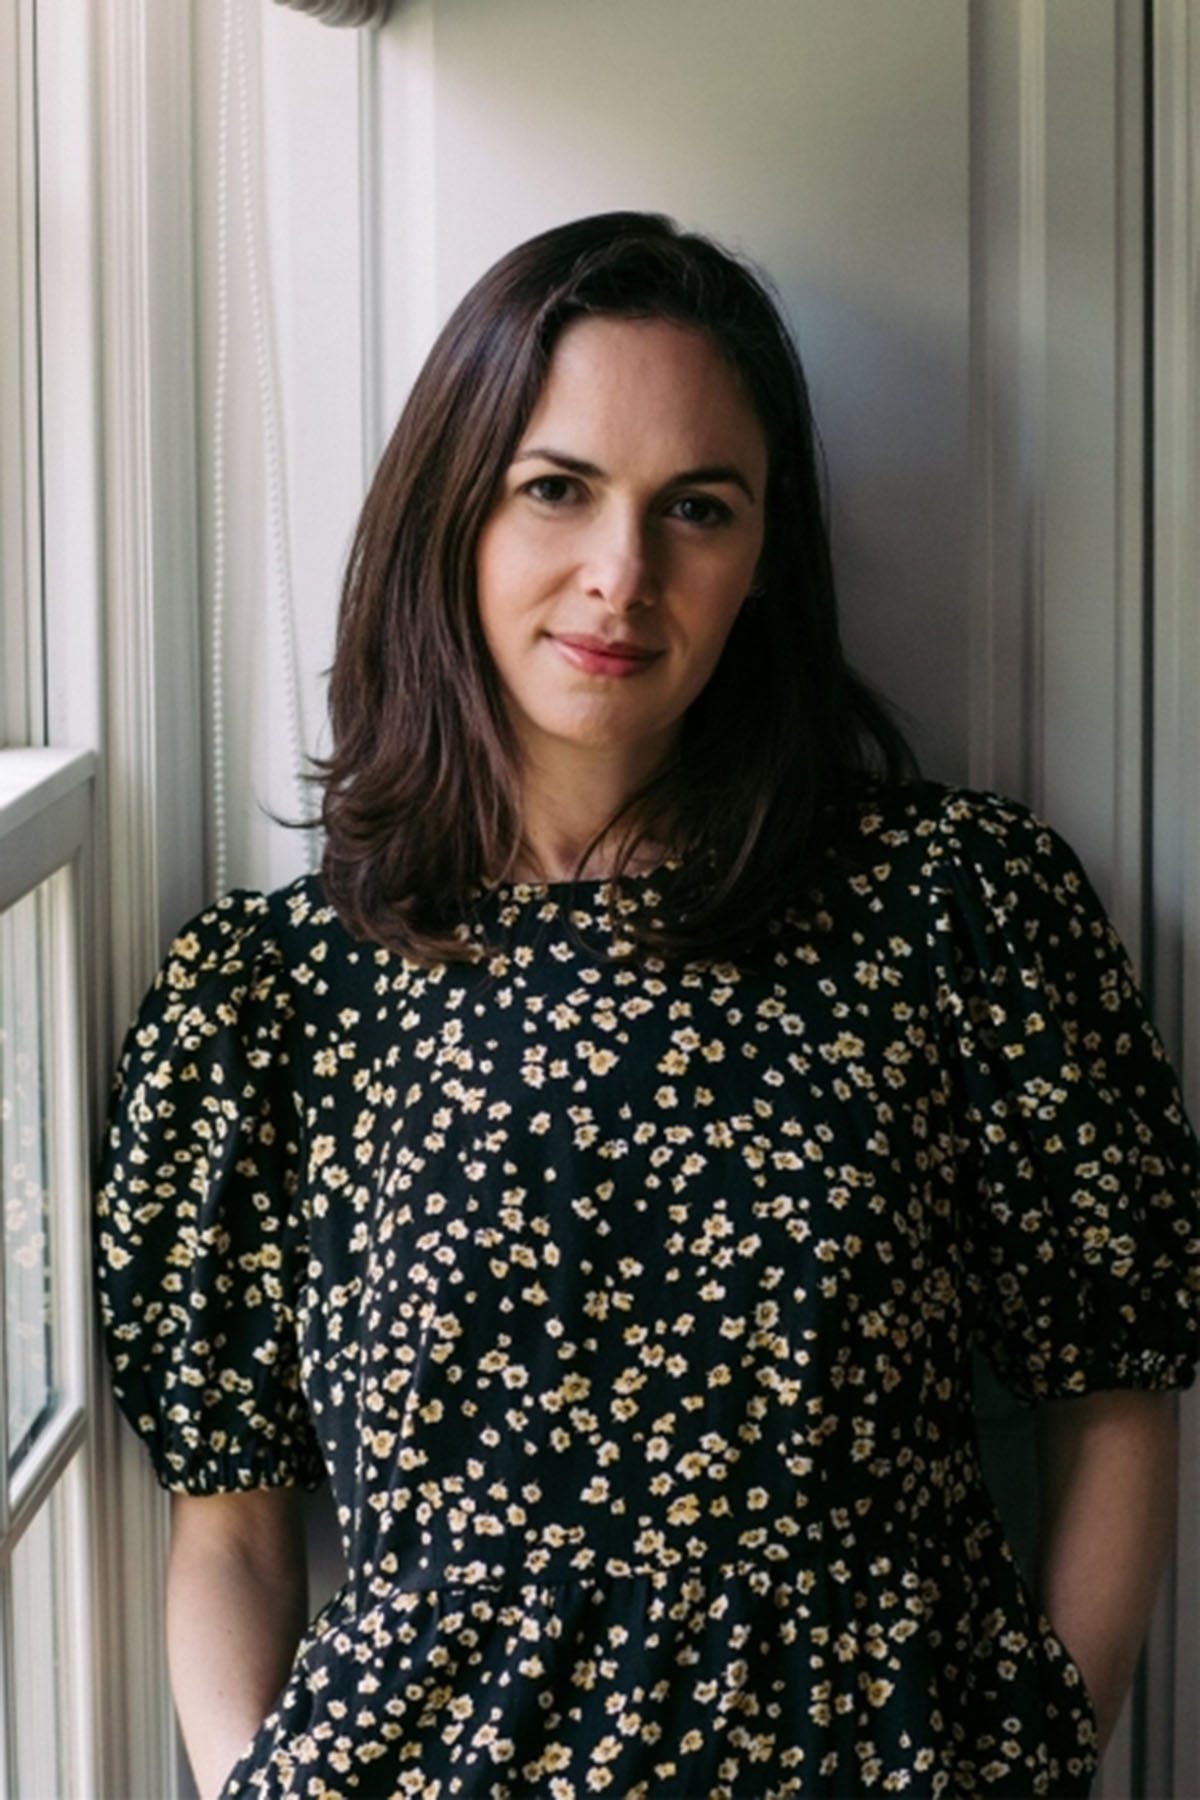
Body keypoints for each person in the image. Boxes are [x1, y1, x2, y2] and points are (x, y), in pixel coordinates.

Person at [93, 210, 1199, 1800]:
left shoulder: (958, 913)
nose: (623, 575)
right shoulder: (268, 1002)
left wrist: (1039, 1757)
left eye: (698, 508)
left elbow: (1116, 1396)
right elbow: (236, 1532)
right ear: (448, 515)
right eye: (557, 488)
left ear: (763, 563)